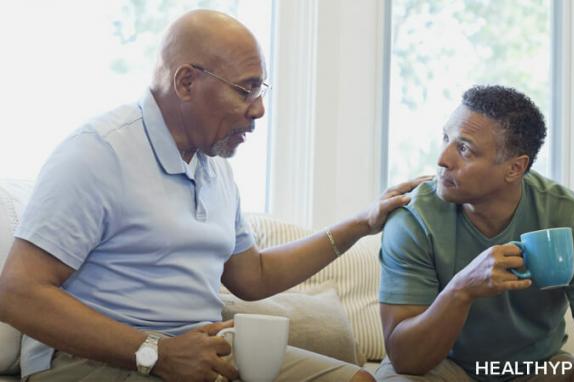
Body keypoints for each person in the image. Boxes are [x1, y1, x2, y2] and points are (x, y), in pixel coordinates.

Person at [0, 10, 427, 382]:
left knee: (356, 379)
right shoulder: (98, 153)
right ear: (186, 81)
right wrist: (155, 352)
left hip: (197, 351)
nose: (258, 109)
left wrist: (361, 223)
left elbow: (252, 276)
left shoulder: (214, 164)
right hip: (91, 361)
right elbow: (16, 293)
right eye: (245, 89)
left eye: (261, 90)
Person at [376, 85, 574, 381]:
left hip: (538, 367)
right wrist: (462, 289)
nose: (442, 159)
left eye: (464, 148)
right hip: (443, 367)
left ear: (514, 168)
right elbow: (407, 358)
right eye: (446, 138)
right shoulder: (413, 219)